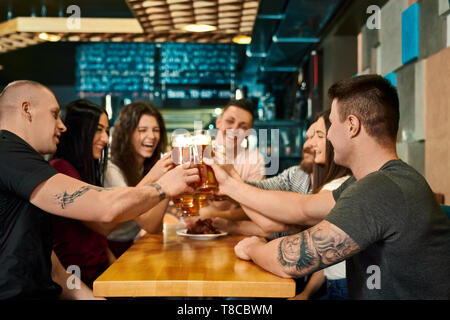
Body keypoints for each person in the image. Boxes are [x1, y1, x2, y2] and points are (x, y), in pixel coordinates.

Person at [207, 75, 450, 299]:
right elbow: (303, 208)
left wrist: (253, 247)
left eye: (331, 124)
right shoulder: (372, 181)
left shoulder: (379, 189)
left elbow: (289, 261)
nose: (330, 136)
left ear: (352, 125)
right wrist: (230, 184)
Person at [0, 80, 199, 299]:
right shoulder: (6, 151)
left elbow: (56, 272)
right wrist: (163, 186)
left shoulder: (27, 168)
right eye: (54, 114)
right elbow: (105, 209)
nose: (62, 125)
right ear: (27, 110)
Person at [49, 99, 116, 288]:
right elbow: (103, 224)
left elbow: (98, 240)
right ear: (78, 130)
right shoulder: (61, 168)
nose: (105, 139)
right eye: (98, 129)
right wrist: (157, 184)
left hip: (97, 275)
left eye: (107, 131)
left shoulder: (82, 171)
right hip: (76, 280)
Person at [104, 101, 173, 257]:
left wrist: (168, 184)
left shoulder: (146, 166)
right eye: (142, 130)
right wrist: (163, 182)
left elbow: (153, 226)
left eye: (156, 130)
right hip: (109, 249)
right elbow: (142, 218)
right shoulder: (111, 167)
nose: (152, 136)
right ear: (126, 134)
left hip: (132, 245)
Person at [199, 98, 265, 221]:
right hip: (191, 230)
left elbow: (256, 208)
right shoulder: (198, 151)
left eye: (243, 126)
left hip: (236, 232)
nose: (234, 130)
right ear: (218, 122)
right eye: (230, 121)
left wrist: (213, 215)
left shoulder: (255, 160)